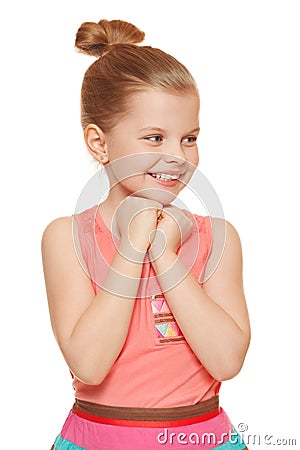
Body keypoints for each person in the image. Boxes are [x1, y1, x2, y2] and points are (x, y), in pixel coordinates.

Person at [41, 18, 251, 450]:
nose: (177, 156)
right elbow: (90, 364)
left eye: (189, 137)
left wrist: (166, 254)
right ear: (100, 144)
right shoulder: (67, 239)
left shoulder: (217, 237)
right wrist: (134, 245)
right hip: (98, 440)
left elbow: (227, 360)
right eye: (155, 138)